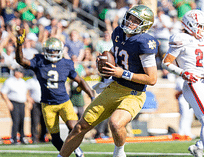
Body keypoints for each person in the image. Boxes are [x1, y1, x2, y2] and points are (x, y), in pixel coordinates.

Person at [58, 5, 159, 157]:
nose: (130, 22)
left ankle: (119, 153)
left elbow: (151, 79)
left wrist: (122, 73)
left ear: (144, 25)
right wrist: (105, 59)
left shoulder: (144, 42)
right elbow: (116, 52)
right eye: (130, 18)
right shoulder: (119, 32)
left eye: (136, 20)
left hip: (134, 93)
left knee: (116, 123)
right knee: (80, 126)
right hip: (114, 87)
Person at [15, 30, 95, 157]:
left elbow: (79, 80)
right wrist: (19, 44)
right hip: (48, 105)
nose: (52, 53)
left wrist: (92, 95)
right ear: (45, 50)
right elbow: (21, 61)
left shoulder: (66, 63)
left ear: (61, 50)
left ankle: (77, 150)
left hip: (64, 102)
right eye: (50, 50)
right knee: (55, 138)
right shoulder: (39, 60)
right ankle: (65, 153)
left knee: (75, 128)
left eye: (55, 50)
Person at [162, 10, 204, 157]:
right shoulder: (181, 38)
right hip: (192, 83)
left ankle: (198, 147)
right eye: (200, 26)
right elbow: (166, 62)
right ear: (190, 24)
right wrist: (183, 72)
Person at [0, 68, 28, 145]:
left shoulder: (22, 82)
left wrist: (27, 101)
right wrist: (8, 102)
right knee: (16, 120)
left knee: (22, 120)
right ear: (16, 73)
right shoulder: (9, 81)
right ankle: (14, 138)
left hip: (21, 103)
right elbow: (3, 92)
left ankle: (22, 137)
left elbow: (25, 93)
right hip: (14, 102)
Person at [26, 75, 47, 143]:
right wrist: (29, 99)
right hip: (35, 103)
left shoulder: (45, 80)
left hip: (44, 103)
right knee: (35, 121)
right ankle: (34, 138)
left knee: (44, 121)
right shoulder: (31, 81)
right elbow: (24, 91)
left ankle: (42, 137)